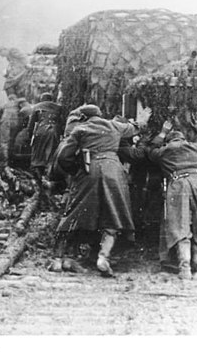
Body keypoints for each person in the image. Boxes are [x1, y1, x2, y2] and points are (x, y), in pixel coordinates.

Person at [53, 104, 151, 277]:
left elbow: (62, 156)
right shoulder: (114, 126)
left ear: (83, 117)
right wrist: (143, 119)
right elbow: (135, 128)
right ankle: (103, 257)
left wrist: (75, 170)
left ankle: (57, 259)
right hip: (114, 171)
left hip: (89, 170)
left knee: (73, 212)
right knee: (114, 214)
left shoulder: (79, 129)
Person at [148, 116, 197, 280]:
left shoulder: (165, 150)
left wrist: (161, 133)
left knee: (180, 225)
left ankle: (185, 267)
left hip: (179, 185)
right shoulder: (194, 147)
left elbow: (151, 151)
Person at [27, 92, 64, 192]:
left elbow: (31, 125)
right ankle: (49, 179)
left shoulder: (37, 107)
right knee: (51, 154)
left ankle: (39, 180)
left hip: (41, 131)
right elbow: (61, 122)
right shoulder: (59, 107)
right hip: (54, 131)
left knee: (38, 154)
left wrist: (30, 137)